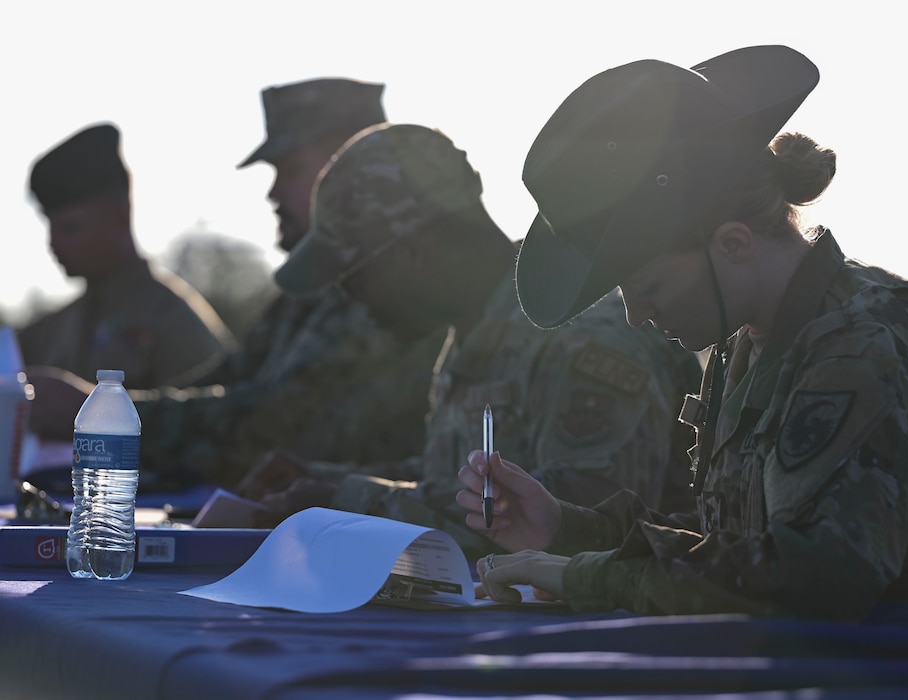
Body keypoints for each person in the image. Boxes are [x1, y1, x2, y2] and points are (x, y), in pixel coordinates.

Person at [457, 45, 908, 620]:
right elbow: (741, 543)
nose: (637, 315)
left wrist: (589, 575)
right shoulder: (753, 342)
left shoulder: (865, 343)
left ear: (734, 244)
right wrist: (564, 528)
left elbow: (817, 575)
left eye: (651, 288)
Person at [238, 121, 702, 560]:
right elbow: (452, 484)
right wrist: (327, 483)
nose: (353, 303)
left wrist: (349, 502)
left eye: (351, 280)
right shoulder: (474, 336)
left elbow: (574, 520)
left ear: (412, 251)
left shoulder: (582, 338)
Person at [28, 79, 445, 492]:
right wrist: (108, 412)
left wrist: (98, 416)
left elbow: (273, 426)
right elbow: (232, 382)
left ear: (352, 161)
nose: (274, 192)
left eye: (291, 169)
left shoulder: (391, 289)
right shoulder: (310, 293)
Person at [18, 122, 234, 389]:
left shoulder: (175, 321)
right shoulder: (51, 329)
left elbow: (210, 421)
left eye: (70, 228)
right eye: (50, 227)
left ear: (119, 216)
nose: (53, 243)